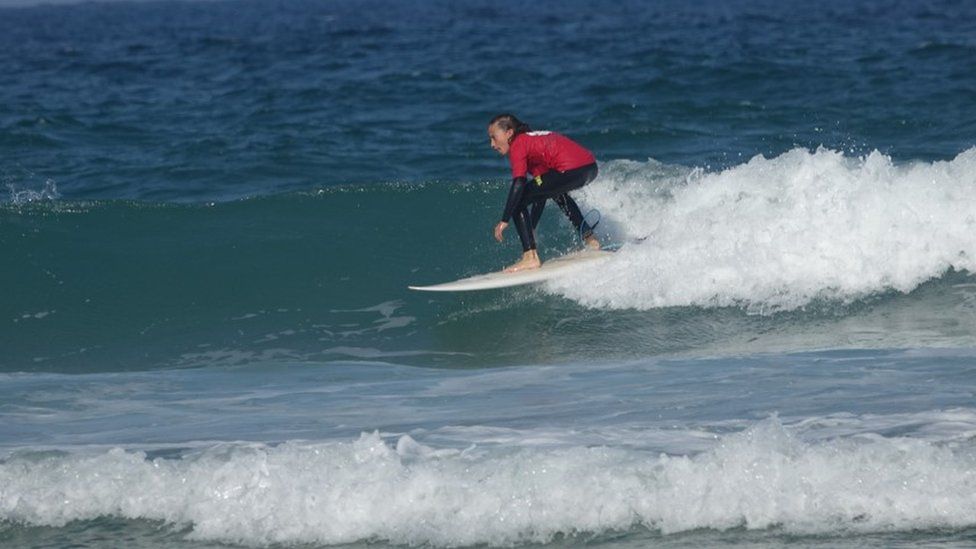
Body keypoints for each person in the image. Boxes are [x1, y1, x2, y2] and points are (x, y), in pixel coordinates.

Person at [488, 113, 600, 272]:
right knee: (557, 194)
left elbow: (519, 183)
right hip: (589, 168)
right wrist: (531, 226)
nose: (492, 144)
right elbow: (542, 191)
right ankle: (591, 239)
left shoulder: (519, 144)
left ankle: (530, 257)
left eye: (494, 137)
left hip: (570, 169)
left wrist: (504, 219)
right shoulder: (531, 142)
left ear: (509, 133)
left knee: (517, 201)